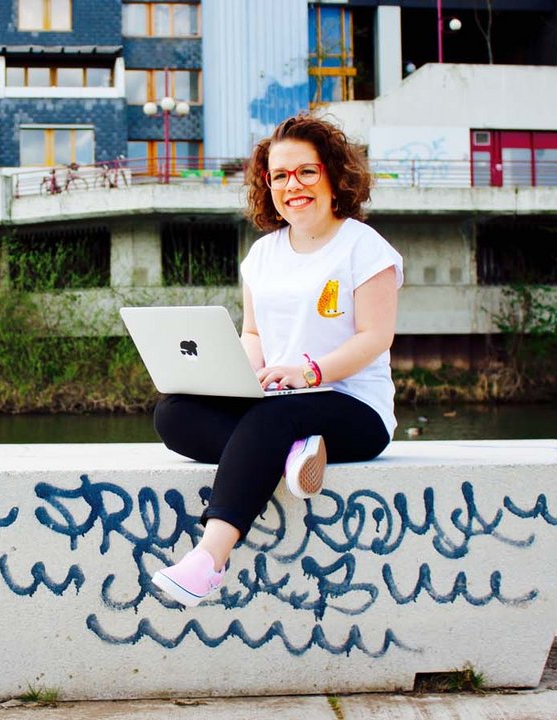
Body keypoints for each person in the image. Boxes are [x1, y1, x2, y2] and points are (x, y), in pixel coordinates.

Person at [151, 113, 404, 608]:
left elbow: (375, 337)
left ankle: (208, 561)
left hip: (351, 404)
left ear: (334, 175)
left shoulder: (364, 247)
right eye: (281, 175)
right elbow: (255, 333)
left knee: (273, 417)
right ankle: (292, 454)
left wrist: (309, 372)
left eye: (306, 172)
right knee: (173, 411)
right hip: (280, 403)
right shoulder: (262, 255)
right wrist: (234, 378)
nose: (294, 186)